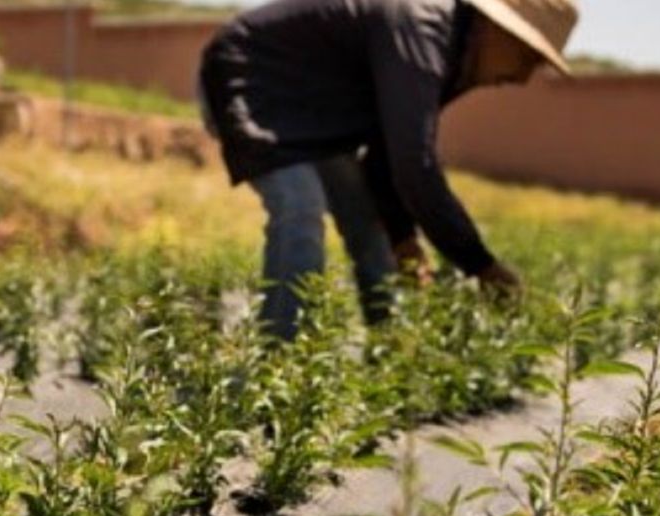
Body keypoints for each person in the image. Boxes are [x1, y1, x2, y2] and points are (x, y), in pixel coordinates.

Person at [198, 0, 579, 341]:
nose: (522, 78)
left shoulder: (456, 54)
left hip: (312, 113)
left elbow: (387, 148)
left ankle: (393, 355)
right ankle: (276, 368)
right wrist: (480, 264)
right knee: (300, 210)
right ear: (497, 28)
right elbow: (414, 161)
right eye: (528, 57)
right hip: (253, 78)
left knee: (370, 228)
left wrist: (402, 237)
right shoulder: (422, 30)